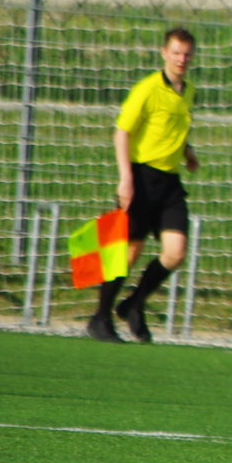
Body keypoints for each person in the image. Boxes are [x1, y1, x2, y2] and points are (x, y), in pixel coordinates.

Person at [89, 28, 199, 345]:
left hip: (170, 183)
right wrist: (125, 178)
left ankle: (134, 304)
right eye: (176, 53)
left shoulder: (189, 91)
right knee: (129, 252)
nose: (181, 59)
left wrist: (188, 153)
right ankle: (100, 317)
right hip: (141, 179)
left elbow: (173, 129)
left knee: (175, 252)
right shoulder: (147, 89)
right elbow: (122, 132)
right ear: (164, 53)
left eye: (187, 54)